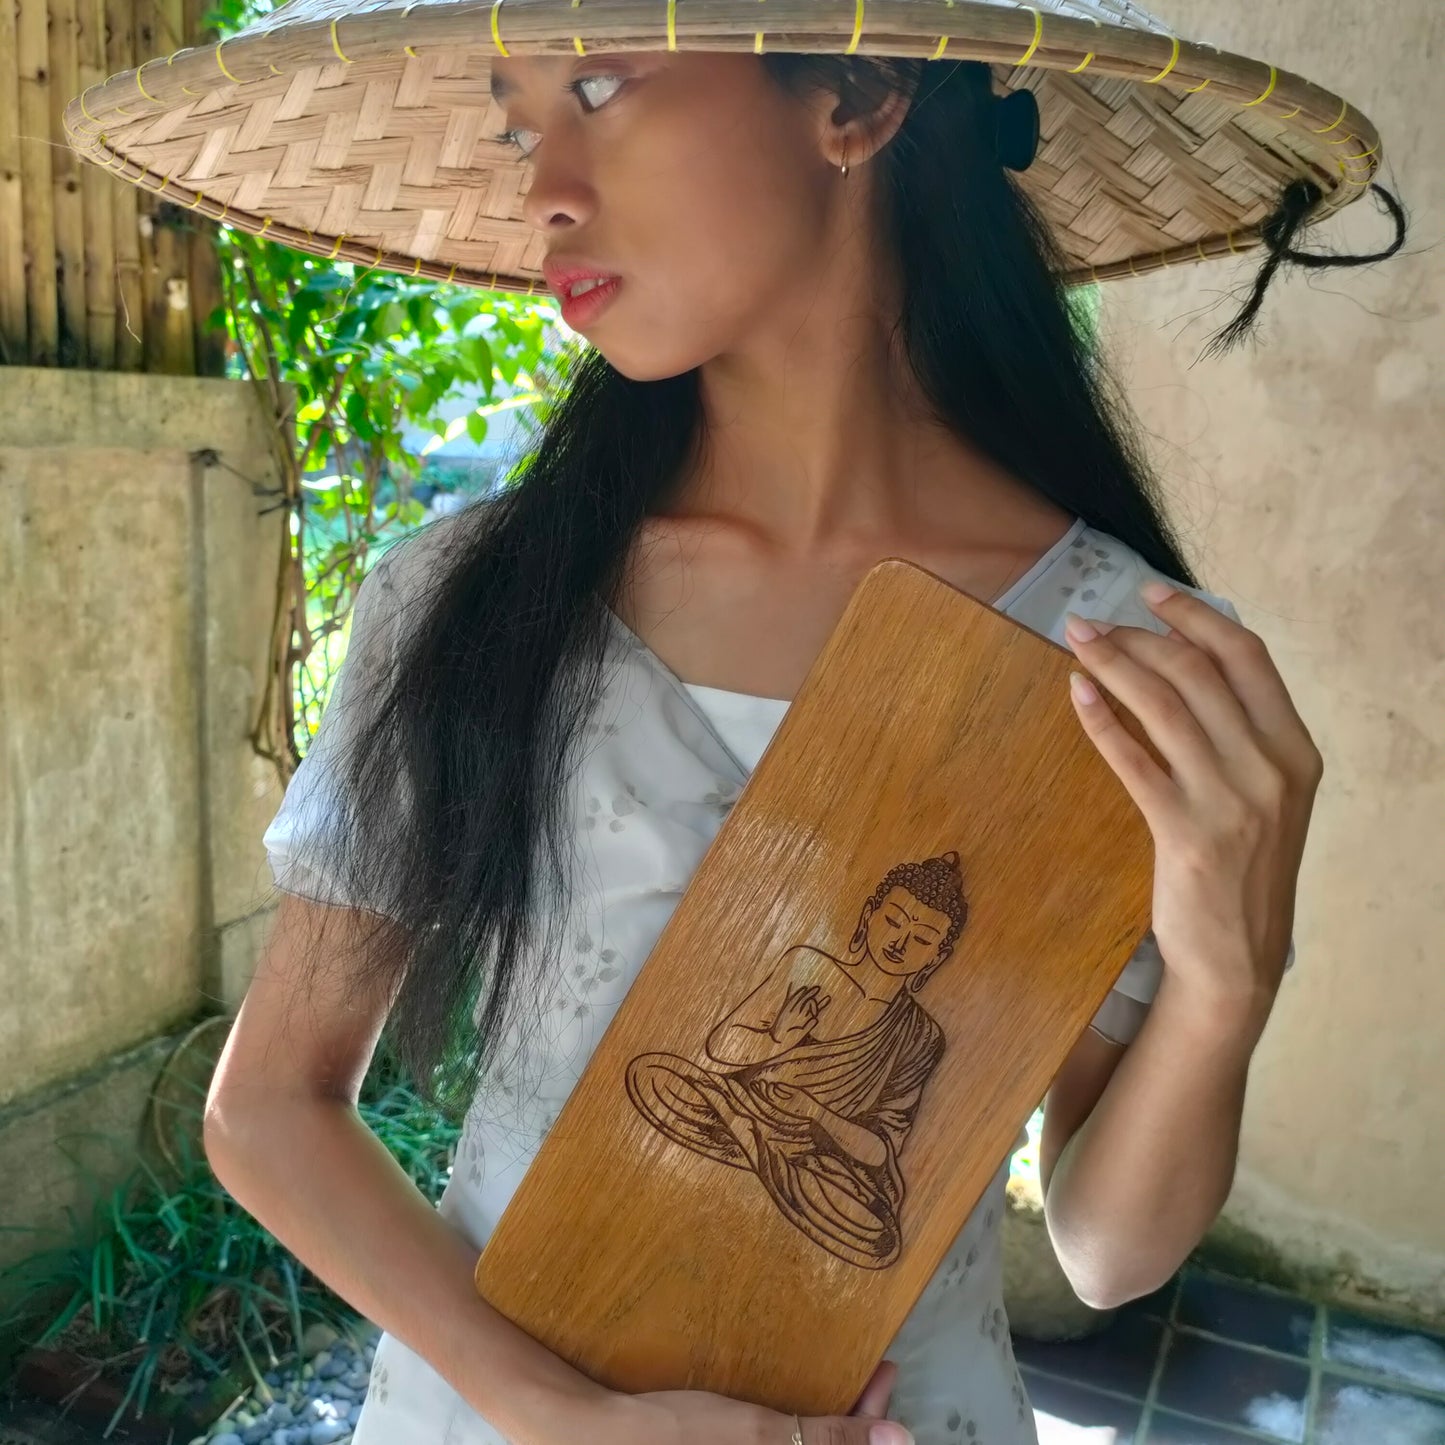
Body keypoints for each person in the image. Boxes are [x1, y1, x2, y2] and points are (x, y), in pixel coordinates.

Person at [92, 3, 1401, 1443]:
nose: (543, 187)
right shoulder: (470, 601)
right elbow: (270, 1105)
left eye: (599, 84)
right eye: (524, 121)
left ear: (858, 92)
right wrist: (559, 1411)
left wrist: (1228, 979)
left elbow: (1101, 1248)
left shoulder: (1110, 649)